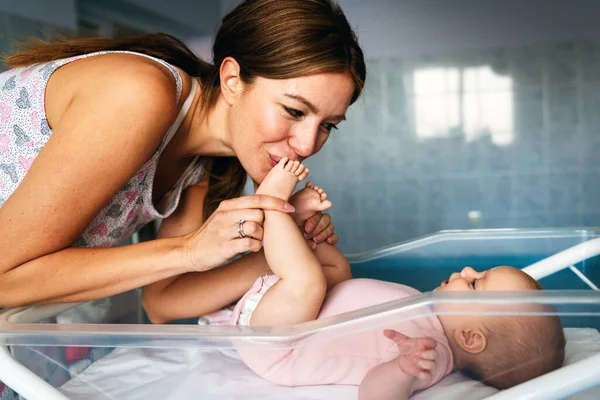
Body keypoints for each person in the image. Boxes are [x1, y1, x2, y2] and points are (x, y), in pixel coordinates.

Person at [0, 0, 366, 321]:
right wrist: (190, 248)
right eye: (293, 110)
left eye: (328, 126)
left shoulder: (205, 166)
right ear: (233, 80)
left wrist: (287, 252)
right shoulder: (138, 94)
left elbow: (163, 303)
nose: (306, 145)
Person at [226, 158, 566, 400]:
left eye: (476, 283)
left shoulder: (429, 356)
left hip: (278, 344)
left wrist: (404, 369)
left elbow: (375, 394)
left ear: (470, 338)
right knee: (338, 275)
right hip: (295, 315)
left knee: (308, 280)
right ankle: (301, 232)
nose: (466, 272)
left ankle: (272, 206)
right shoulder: (431, 314)